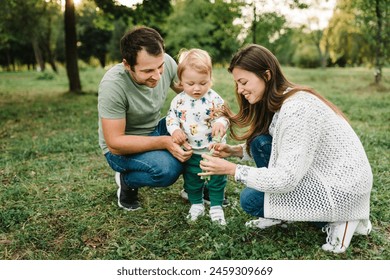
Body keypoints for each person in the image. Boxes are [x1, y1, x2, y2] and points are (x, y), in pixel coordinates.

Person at [198, 44, 373, 253]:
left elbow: (286, 178)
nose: (240, 90)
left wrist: (231, 169)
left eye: (243, 82)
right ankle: (281, 214)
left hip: (343, 188)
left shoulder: (297, 108)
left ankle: (342, 219)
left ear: (267, 75)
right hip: (327, 176)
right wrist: (233, 151)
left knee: (250, 200)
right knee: (259, 142)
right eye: (237, 83)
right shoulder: (282, 100)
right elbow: (278, 143)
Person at [97, 26, 193, 211]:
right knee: (168, 170)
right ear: (127, 65)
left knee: (196, 126)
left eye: (160, 66)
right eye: (148, 71)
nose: (157, 75)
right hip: (122, 149)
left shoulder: (166, 63)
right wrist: (165, 142)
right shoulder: (113, 86)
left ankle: (193, 189)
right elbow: (114, 143)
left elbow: (190, 92)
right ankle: (126, 181)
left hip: (155, 128)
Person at [166, 49, 229, 225]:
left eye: (203, 82)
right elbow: (171, 118)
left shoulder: (214, 98)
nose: (197, 88)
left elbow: (224, 116)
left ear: (210, 78)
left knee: (217, 178)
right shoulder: (178, 101)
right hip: (191, 150)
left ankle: (216, 206)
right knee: (192, 178)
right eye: (190, 83)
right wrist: (175, 130)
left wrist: (221, 123)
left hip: (213, 149)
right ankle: (196, 204)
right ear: (181, 82)